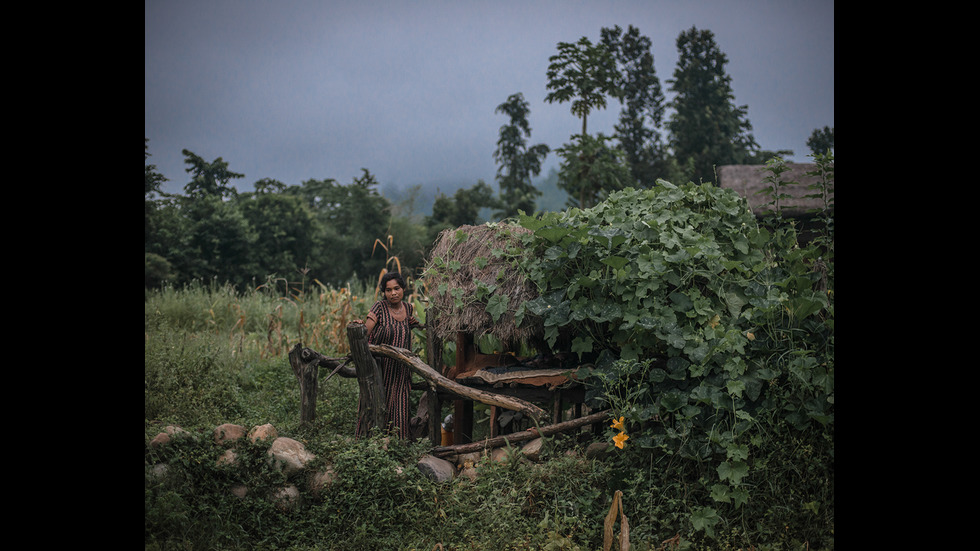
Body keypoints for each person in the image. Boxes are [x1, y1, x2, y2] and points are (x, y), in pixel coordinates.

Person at [355, 271, 421, 439]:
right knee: (375, 404)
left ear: (403, 289)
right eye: (388, 290)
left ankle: (398, 446)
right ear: (384, 292)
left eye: (396, 288)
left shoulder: (408, 308)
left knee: (400, 408)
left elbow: (413, 325)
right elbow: (365, 334)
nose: (393, 293)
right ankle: (370, 444)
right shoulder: (379, 307)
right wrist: (359, 325)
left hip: (401, 370)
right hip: (380, 368)